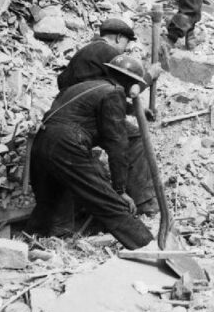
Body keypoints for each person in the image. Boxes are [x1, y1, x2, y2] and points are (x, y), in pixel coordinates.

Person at [28, 55, 159, 249]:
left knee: (51, 201)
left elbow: (93, 108)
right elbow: (117, 144)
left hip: (41, 141)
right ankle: (147, 247)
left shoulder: (82, 87)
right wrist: (121, 190)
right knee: (109, 203)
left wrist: (131, 110)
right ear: (131, 82)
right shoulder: (113, 93)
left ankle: (41, 243)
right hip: (67, 144)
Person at [56, 17, 159, 215]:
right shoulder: (109, 52)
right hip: (91, 120)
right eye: (126, 44)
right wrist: (149, 76)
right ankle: (143, 201)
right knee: (135, 139)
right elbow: (130, 90)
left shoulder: (83, 54)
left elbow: (103, 93)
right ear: (119, 37)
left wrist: (134, 111)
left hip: (71, 116)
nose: (125, 51)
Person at [57, 18, 136, 91]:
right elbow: (127, 88)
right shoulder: (109, 52)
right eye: (127, 42)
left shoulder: (86, 49)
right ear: (119, 37)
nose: (126, 48)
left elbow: (61, 80)